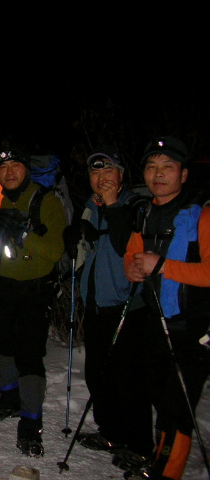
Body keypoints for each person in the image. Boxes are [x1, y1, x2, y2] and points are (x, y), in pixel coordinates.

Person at [0, 146, 66, 457]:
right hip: (2, 283)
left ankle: (31, 422)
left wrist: (24, 235)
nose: (9, 172)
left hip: (35, 288)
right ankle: (9, 398)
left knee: (30, 353)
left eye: (16, 165)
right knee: (5, 344)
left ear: (27, 169)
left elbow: (55, 251)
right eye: (3, 167)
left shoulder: (46, 201)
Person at [123, 136, 210, 480]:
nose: (158, 174)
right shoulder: (144, 212)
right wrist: (132, 269)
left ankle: (166, 473)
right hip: (156, 320)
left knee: (178, 406)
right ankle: (160, 461)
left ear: (184, 174)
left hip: (194, 326)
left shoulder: (203, 214)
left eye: (168, 167)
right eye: (151, 166)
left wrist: (161, 266)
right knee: (161, 398)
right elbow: (132, 253)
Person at [63, 145, 154, 469]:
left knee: (130, 380)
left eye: (108, 170)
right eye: (95, 171)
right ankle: (111, 432)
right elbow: (85, 251)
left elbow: (122, 243)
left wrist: (113, 204)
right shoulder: (91, 206)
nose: (101, 177)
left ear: (121, 175)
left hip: (128, 304)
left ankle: (140, 444)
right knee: (98, 375)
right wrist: (72, 239)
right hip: (97, 304)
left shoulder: (135, 205)